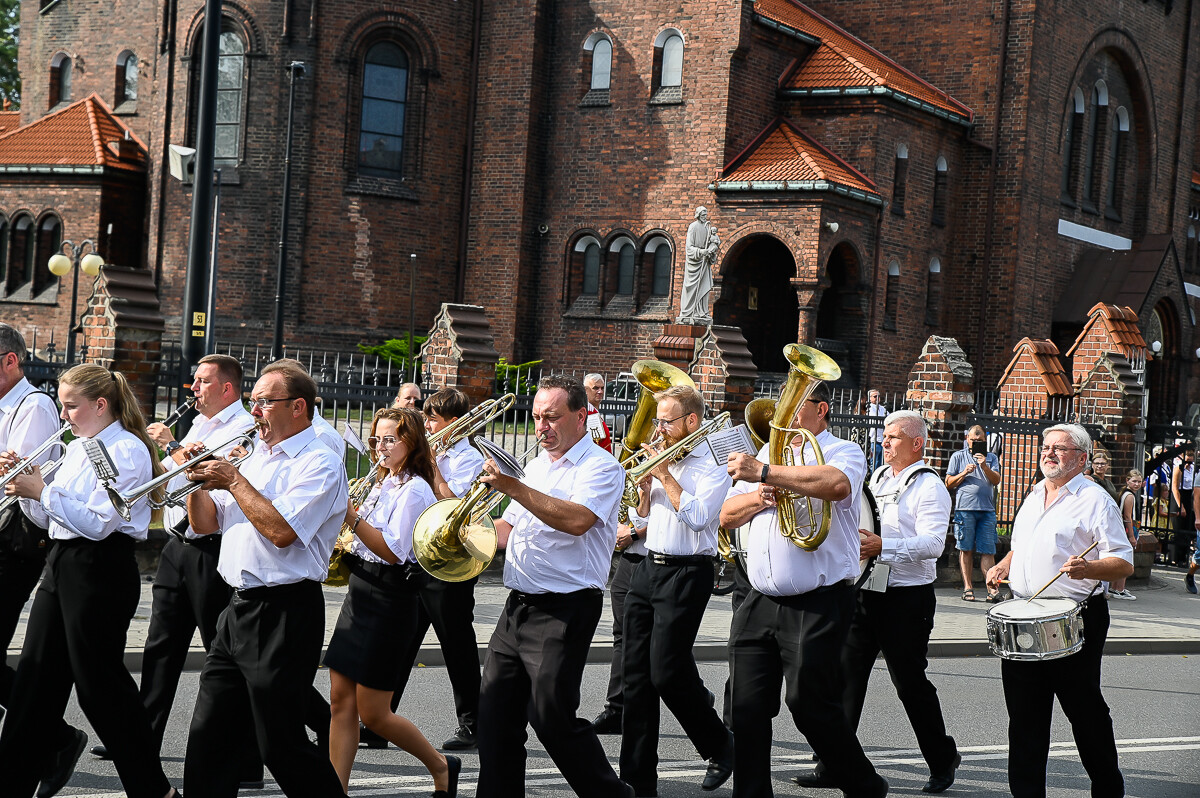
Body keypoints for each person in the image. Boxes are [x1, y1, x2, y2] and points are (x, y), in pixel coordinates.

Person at [0, 364, 177, 798]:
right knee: (35, 680)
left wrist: (43, 491)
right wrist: (29, 487)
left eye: (70, 406)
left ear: (101, 405)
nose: (63, 416)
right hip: (62, 562)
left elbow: (99, 523)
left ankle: (155, 790)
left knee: (100, 688)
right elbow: (50, 519)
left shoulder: (128, 450)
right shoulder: (79, 447)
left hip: (101, 568)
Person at [89, 355, 261, 785]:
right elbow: (169, 479)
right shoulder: (201, 424)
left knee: (225, 653)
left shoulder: (243, 427)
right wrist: (152, 453)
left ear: (228, 388)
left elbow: (203, 475)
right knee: (159, 647)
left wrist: (170, 446)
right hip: (176, 548)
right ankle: (141, 738)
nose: (192, 389)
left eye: (202, 382)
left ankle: (252, 754)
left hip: (212, 549)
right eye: (193, 381)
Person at [182, 361, 349, 797]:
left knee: (280, 745)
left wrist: (232, 479)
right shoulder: (255, 454)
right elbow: (204, 525)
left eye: (264, 402)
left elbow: (280, 531)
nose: (253, 410)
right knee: (208, 739)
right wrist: (196, 481)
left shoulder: (320, 463)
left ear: (298, 407)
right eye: (253, 401)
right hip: (236, 608)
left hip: (285, 611)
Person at [721, 381, 888, 798]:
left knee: (810, 707)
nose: (784, 413)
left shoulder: (842, 451)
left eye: (795, 404)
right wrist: (761, 495)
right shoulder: (766, 455)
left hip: (818, 600)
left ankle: (865, 785)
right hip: (758, 600)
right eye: (781, 404)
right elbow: (726, 515)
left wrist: (766, 473)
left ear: (821, 409)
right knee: (745, 708)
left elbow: (836, 486)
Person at [473, 375, 635, 798]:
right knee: (494, 717)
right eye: (536, 417)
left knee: (551, 717)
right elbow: (509, 528)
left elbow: (577, 520)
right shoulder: (537, 465)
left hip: (564, 608)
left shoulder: (601, 467)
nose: (541, 426)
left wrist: (513, 486)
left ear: (581, 416)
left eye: (551, 417)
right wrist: (463, 530)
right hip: (518, 606)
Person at [796, 410, 959, 793]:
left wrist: (885, 545)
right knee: (845, 679)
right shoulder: (880, 477)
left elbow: (934, 545)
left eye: (894, 437)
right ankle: (834, 763)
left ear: (916, 443)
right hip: (868, 590)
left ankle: (942, 757)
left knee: (909, 683)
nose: (884, 442)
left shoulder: (929, 485)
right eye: (884, 437)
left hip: (908, 598)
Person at [985, 424, 1133, 798]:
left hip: (1076, 618)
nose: (1049, 453)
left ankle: (1108, 789)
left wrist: (1089, 569)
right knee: (1024, 720)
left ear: (1082, 459)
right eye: (1046, 447)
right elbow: (1022, 546)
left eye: (1060, 449)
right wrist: (1004, 565)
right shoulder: (1034, 494)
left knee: (1085, 715)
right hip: (1024, 618)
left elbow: (1124, 562)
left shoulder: (1095, 499)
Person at [324, 407, 459, 795]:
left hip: (390, 599)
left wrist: (351, 517)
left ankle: (440, 765)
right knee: (339, 701)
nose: (379, 448)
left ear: (410, 442)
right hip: (361, 595)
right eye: (376, 440)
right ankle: (337, 790)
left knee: (375, 714)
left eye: (389, 440)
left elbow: (394, 552)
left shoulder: (415, 488)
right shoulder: (384, 481)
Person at [619, 385, 734, 796]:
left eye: (666, 421)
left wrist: (664, 475)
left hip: (689, 570)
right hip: (649, 566)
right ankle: (636, 782)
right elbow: (640, 513)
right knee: (636, 677)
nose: (659, 429)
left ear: (691, 422)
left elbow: (702, 519)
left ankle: (719, 743)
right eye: (657, 420)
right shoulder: (661, 455)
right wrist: (647, 487)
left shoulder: (711, 464)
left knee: (667, 671)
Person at [0, 322, 85, 795]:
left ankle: (55, 736)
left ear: (11, 361)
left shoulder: (31, 406)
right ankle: (52, 736)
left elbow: (25, 485)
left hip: (15, 541)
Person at [375, 388, 485, 751]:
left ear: (453, 423)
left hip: (447, 562)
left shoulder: (469, 457)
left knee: (457, 644)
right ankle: (379, 722)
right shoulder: (424, 449)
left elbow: (455, 507)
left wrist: (434, 465)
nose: (426, 424)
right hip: (416, 558)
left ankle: (474, 724)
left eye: (432, 419)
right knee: (399, 643)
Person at [589, 514, 647, 735]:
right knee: (621, 637)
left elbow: (673, 519)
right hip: (628, 561)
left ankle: (695, 696)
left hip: (657, 561)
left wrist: (634, 533)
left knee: (662, 644)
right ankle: (616, 710)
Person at [945, 425, 1002, 602]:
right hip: (965, 509)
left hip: (987, 510)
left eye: (980, 441)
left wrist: (984, 466)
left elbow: (996, 480)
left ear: (985, 441)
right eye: (973, 440)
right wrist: (964, 472)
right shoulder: (958, 456)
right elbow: (948, 483)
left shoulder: (991, 458)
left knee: (988, 550)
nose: (976, 443)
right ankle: (968, 587)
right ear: (966, 439)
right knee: (966, 548)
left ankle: (991, 590)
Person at [679, 206, 719, 323]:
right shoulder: (693, 227)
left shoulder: (708, 228)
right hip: (695, 263)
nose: (704, 216)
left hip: (704, 263)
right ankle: (689, 312)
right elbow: (689, 248)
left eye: (706, 214)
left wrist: (711, 251)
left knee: (704, 287)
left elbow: (711, 242)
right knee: (692, 288)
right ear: (698, 214)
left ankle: (701, 312)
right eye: (702, 214)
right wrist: (701, 252)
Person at [1108, 469, 1142, 601]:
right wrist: (1132, 536)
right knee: (1126, 557)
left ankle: (1114, 587)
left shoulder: (1126, 493)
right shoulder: (1129, 496)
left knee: (1121, 556)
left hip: (1125, 528)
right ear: (1127, 481)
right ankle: (1119, 589)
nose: (1137, 484)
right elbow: (1127, 516)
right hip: (1128, 529)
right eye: (1134, 481)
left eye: (1139, 482)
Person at [1170, 448, 1195, 566]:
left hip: (1189, 497)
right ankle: (1175, 558)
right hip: (1179, 498)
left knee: (1187, 529)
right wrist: (1181, 506)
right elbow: (1174, 488)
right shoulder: (1178, 470)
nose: (1188, 464)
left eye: (1190, 462)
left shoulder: (1194, 470)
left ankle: (1184, 558)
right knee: (1178, 528)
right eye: (1186, 461)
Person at [583, 373, 613, 453]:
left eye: (602, 388)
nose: (600, 391)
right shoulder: (586, 413)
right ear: (586, 390)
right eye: (595, 388)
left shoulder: (593, 411)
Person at [865, 389, 887, 470]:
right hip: (874, 439)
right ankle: (872, 480)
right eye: (875, 396)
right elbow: (875, 419)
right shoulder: (870, 407)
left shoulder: (882, 408)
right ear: (870, 398)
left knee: (880, 462)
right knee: (873, 462)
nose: (877, 398)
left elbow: (889, 417)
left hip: (882, 439)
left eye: (879, 396)